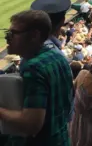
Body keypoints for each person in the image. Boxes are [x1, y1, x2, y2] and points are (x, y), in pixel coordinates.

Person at [0, 10, 73, 146]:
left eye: (13, 34)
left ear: (34, 35)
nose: (7, 38)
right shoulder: (58, 57)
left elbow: (31, 124)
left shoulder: (33, 67)